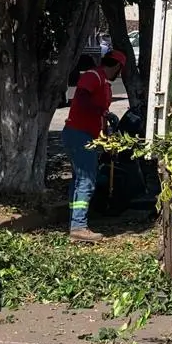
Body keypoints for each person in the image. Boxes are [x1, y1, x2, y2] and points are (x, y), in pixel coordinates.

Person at [63, 50, 125, 243]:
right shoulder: (94, 76)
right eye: (120, 70)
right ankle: (79, 227)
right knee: (86, 180)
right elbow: (81, 99)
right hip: (79, 135)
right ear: (116, 66)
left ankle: (75, 223)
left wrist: (106, 135)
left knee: (79, 180)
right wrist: (102, 112)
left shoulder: (104, 83)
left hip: (85, 136)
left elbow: (98, 117)